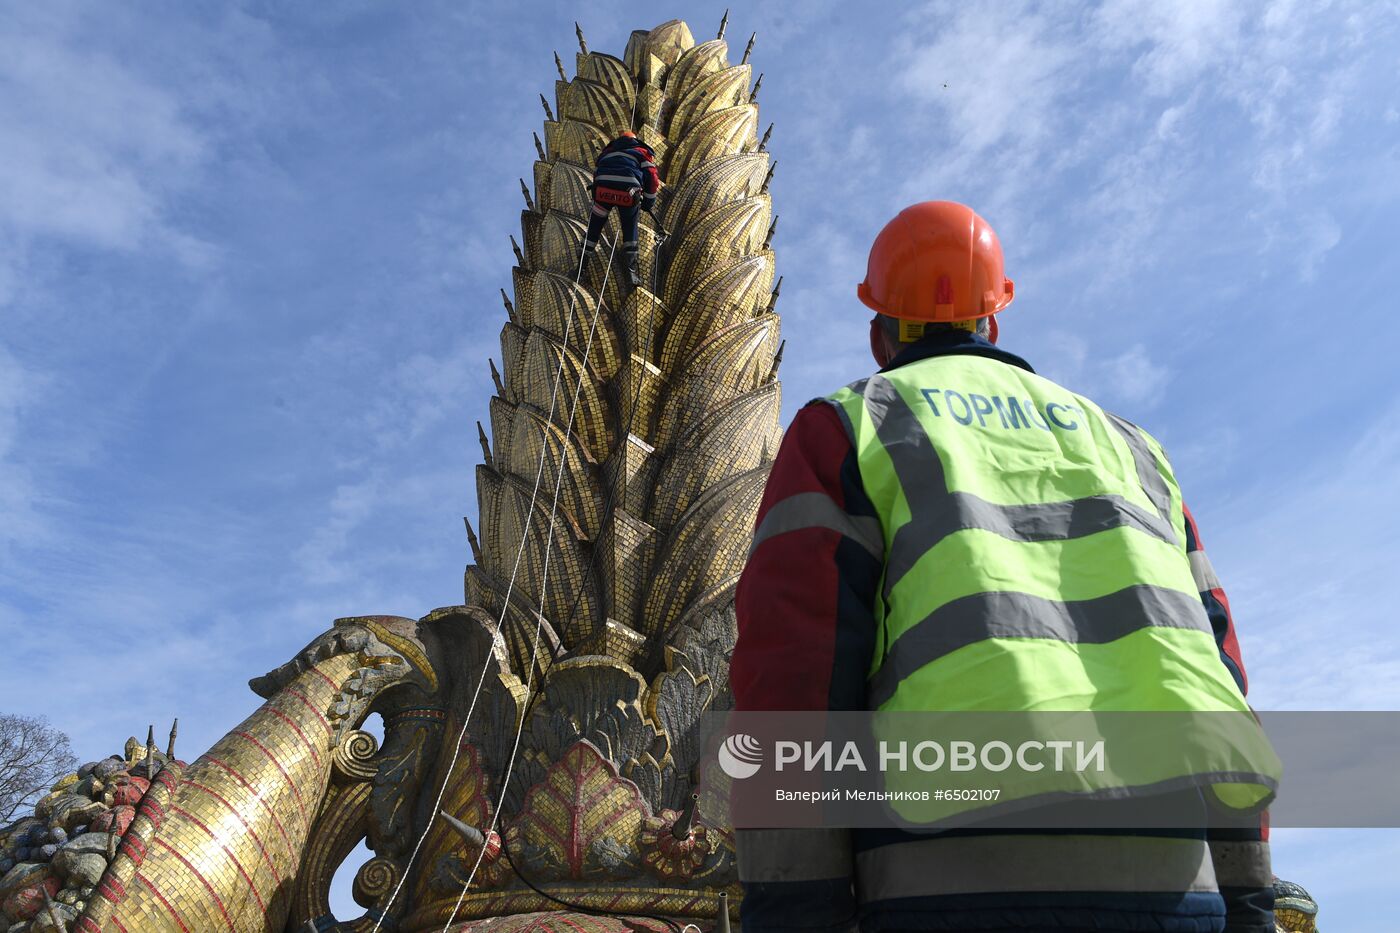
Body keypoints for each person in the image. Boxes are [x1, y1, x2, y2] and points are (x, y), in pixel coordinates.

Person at [730, 201, 1276, 933]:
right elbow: (1218, 681)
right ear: (995, 319)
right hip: (1177, 890)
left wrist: (797, 911)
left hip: (944, 886)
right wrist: (1249, 903)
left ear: (878, 332)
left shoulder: (850, 425)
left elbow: (794, 677)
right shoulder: (1133, 450)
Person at [581, 130, 660, 286]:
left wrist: (598, 190)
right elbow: (651, 176)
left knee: (595, 226)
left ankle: (581, 264)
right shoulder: (641, 151)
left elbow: (597, 173)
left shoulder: (606, 152)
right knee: (629, 227)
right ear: (635, 140)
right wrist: (649, 201)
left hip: (603, 191)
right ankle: (631, 271)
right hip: (628, 192)